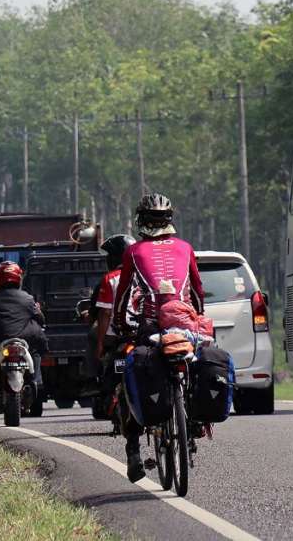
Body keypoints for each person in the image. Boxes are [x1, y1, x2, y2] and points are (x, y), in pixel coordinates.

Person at [111, 193, 206, 482]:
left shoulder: (133, 252)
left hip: (150, 325)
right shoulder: (186, 247)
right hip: (184, 321)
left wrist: (119, 324)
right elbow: (198, 294)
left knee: (130, 378)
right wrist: (196, 319)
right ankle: (195, 420)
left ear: (141, 221)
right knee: (195, 362)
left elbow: (124, 295)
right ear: (170, 220)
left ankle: (133, 451)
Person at [0, 261, 48, 394]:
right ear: (19, 278)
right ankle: (36, 379)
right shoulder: (28, 298)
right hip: (25, 339)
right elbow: (40, 319)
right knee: (37, 351)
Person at [78, 233, 135, 398]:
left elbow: (103, 313)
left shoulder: (110, 279)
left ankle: (91, 379)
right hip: (143, 331)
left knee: (92, 335)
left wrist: (101, 345)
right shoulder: (145, 275)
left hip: (116, 334)